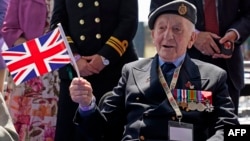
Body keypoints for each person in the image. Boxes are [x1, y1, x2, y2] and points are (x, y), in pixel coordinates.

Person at [69, 1, 239, 141]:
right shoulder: (131, 72)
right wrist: (87, 104)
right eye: (162, 28)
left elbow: (232, 130)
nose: (168, 36)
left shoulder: (213, 76)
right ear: (153, 35)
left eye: (177, 29)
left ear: (192, 39)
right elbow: (101, 130)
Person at [50, 0, 139, 140]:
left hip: (113, 71)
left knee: (111, 131)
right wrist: (75, 58)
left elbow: (129, 20)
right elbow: (57, 23)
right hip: (75, 73)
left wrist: (105, 57)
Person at [150, 0, 250, 115]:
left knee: (227, 127)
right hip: (184, 68)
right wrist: (194, 36)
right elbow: (156, 13)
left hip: (228, 68)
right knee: (186, 126)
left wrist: (234, 33)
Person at [1, 0, 60, 140]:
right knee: (23, 125)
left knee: (52, 122)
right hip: (27, 66)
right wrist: (32, 51)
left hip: (56, 70)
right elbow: (8, 28)